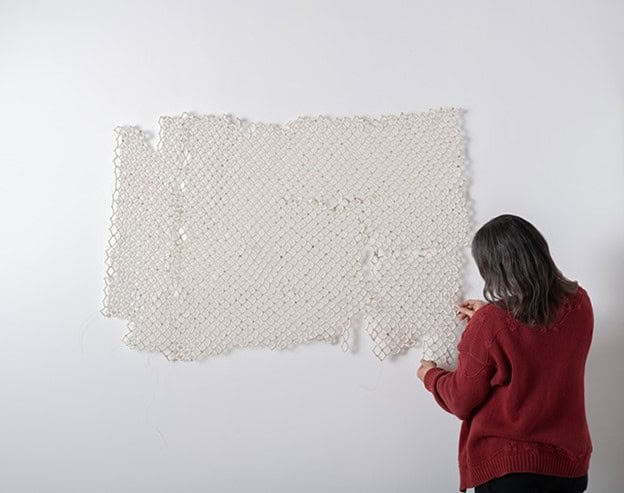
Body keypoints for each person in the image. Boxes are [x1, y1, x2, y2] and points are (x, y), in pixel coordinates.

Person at [416, 214, 593, 493]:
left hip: (510, 472)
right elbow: (538, 337)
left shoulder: (492, 324)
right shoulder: (580, 303)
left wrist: (430, 376)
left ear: (494, 269)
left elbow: (461, 399)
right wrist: (490, 311)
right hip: (569, 468)